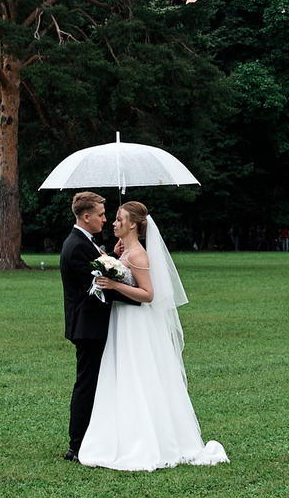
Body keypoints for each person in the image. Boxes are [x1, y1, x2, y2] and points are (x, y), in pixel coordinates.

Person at [75, 200, 228, 471]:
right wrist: (114, 257)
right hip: (121, 320)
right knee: (123, 374)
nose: (113, 222)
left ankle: (145, 438)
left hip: (135, 322)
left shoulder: (138, 255)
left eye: (119, 219)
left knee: (138, 374)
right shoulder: (126, 252)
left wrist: (113, 284)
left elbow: (148, 295)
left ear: (133, 224)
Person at [57, 191, 113, 460]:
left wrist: (113, 256)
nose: (105, 219)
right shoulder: (77, 245)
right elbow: (95, 286)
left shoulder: (87, 242)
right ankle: (76, 445)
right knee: (87, 384)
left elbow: (99, 269)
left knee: (93, 382)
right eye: (101, 215)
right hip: (88, 326)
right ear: (86, 216)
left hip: (92, 324)